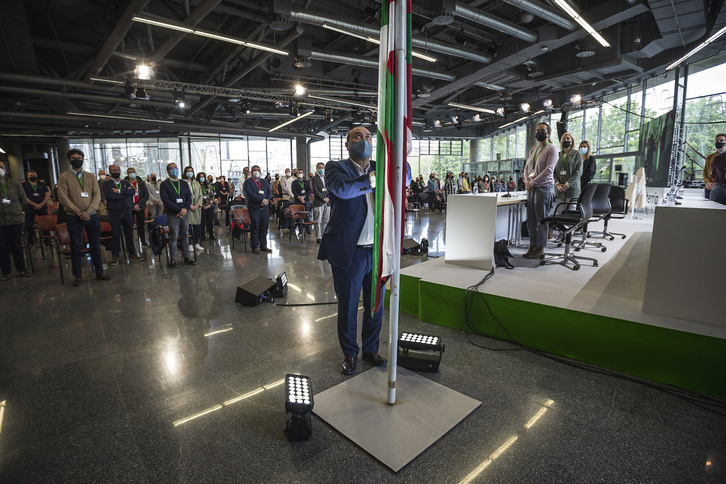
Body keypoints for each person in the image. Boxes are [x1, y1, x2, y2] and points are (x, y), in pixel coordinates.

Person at [318, 126, 387, 375]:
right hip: (350, 251)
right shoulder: (336, 167)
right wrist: (376, 178)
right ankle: (350, 353)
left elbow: (406, 175)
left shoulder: (382, 165)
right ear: (347, 144)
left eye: (368, 137)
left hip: (376, 251)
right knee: (348, 306)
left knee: (375, 306)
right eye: (358, 136)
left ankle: (371, 350)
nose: (365, 140)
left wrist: (396, 162)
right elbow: (342, 190)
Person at [56, 149, 110, 286]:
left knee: (96, 245)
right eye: (73, 157)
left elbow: (96, 195)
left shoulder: (91, 177)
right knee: (75, 246)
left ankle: (99, 272)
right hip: (73, 216)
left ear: (83, 159)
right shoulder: (64, 177)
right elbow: (63, 198)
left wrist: (89, 211)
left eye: (79, 157)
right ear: (69, 160)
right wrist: (79, 212)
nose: (76, 159)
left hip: (91, 216)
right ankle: (78, 276)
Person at [523, 122, 558, 260]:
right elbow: (527, 168)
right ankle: (532, 245)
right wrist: (527, 182)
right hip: (531, 189)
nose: (539, 133)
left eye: (542, 130)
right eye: (537, 130)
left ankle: (540, 247)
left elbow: (548, 170)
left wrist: (532, 182)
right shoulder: (533, 150)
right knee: (531, 220)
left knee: (541, 220)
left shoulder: (552, 149)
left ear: (548, 133)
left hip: (544, 188)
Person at [103, 164, 143, 265]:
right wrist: (124, 194)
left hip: (126, 211)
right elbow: (110, 195)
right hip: (114, 212)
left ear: (120, 170)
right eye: (113, 170)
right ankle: (115, 255)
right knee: (116, 234)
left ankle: (132, 253)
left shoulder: (125, 182)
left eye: (117, 169)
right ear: (110, 172)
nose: (115, 171)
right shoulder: (107, 184)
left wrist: (119, 191)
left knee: (129, 233)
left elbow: (132, 191)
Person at [0, 161, 32, 280]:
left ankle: (22, 269)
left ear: (5, 169)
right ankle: (5, 272)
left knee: (16, 246)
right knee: (2, 247)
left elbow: (23, 200)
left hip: (15, 220)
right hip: (1, 222)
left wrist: (17, 210)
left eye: (1, 167)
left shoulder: (14, 184)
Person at [160, 162, 195, 268]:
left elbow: (189, 198)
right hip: (173, 214)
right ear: (168, 171)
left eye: (176, 168)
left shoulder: (183, 183)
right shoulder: (164, 184)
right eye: (172, 168)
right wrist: (179, 210)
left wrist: (184, 209)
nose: (174, 170)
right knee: (174, 236)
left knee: (185, 235)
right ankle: (173, 259)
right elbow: (166, 200)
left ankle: (186, 257)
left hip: (184, 213)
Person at [243, 164, 273, 253]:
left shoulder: (264, 181)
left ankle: (263, 245)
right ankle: (255, 246)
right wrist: (261, 200)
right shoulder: (248, 182)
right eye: (255, 170)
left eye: (258, 170)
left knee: (264, 227)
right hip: (254, 208)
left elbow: (269, 191)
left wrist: (267, 199)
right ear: (252, 172)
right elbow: (250, 194)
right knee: (255, 227)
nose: (257, 172)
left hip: (265, 208)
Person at [21, 169, 50, 246]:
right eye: (31, 176)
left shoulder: (42, 184)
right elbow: (24, 197)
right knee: (29, 225)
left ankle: (47, 240)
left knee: (46, 224)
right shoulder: (24, 185)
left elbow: (47, 194)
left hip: (42, 207)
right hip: (30, 207)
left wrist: (41, 204)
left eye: (34, 176)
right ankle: (31, 241)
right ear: (27, 176)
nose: (32, 177)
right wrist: (34, 204)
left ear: (36, 176)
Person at [555, 133, 583, 203]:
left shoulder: (577, 154)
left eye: (568, 138)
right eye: (564, 139)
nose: (565, 140)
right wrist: (557, 184)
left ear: (572, 141)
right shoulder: (557, 155)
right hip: (559, 189)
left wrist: (567, 184)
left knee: (571, 211)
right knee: (559, 212)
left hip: (572, 189)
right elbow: (552, 171)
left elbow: (579, 171)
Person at [125, 167, 149, 247]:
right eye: (130, 172)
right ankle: (131, 244)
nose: (132, 173)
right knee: (129, 226)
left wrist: (139, 205)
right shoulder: (125, 183)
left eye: (133, 172)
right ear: (127, 174)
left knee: (141, 225)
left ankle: (143, 241)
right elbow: (125, 196)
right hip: (130, 207)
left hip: (140, 207)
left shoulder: (141, 183)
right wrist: (133, 205)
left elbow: (146, 195)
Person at [184, 166, 204, 252]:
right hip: (188, 208)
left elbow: (200, 195)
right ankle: (189, 244)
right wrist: (190, 205)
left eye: (191, 171)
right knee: (188, 226)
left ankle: (196, 243)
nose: (190, 172)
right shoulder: (183, 183)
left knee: (196, 226)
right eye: (188, 171)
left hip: (196, 208)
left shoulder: (196, 183)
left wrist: (197, 205)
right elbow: (182, 196)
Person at [311, 162, 331, 244]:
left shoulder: (327, 178)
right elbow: (315, 190)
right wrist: (323, 198)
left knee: (326, 220)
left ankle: (324, 236)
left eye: (322, 168)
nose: (321, 169)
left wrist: (328, 198)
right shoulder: (314, 178)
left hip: (328, 202)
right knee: (318, 221)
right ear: (317, 169)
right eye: (320, 168)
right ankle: (319, 237)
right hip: (319, 202)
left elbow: (330, 188)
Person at [291, 168, 313, 235]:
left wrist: (304, 196)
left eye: (301, 172)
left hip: (306, 200)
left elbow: (309, 190)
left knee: (306, 215)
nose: (300, 174)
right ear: (297, 174)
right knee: (299, 216)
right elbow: (293, 191)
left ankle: (308, 230)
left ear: (303, 174)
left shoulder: (306, 182)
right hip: (297, 200)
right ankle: (300, 231)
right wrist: (299, 197)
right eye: (299, 172)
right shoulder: (294, 182)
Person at [704, 133, 726, 199]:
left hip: (721, 186)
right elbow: (705, 171)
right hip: (709, 187)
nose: (718, 142)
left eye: (721, 140)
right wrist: (707, 182)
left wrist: (716, 183)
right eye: (717, 140)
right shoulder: (710, 157)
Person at [199, 172, 216, 241]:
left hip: (209, 206)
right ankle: (202, 236)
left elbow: (212, 195)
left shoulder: (208, 185)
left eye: (203, 176)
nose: (202, 178)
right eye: (200, 177)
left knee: (210, 221)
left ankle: (211, 234)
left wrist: (209, 204)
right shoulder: (197, 185)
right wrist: (202, 206)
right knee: (202, 222)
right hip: (201, 206)